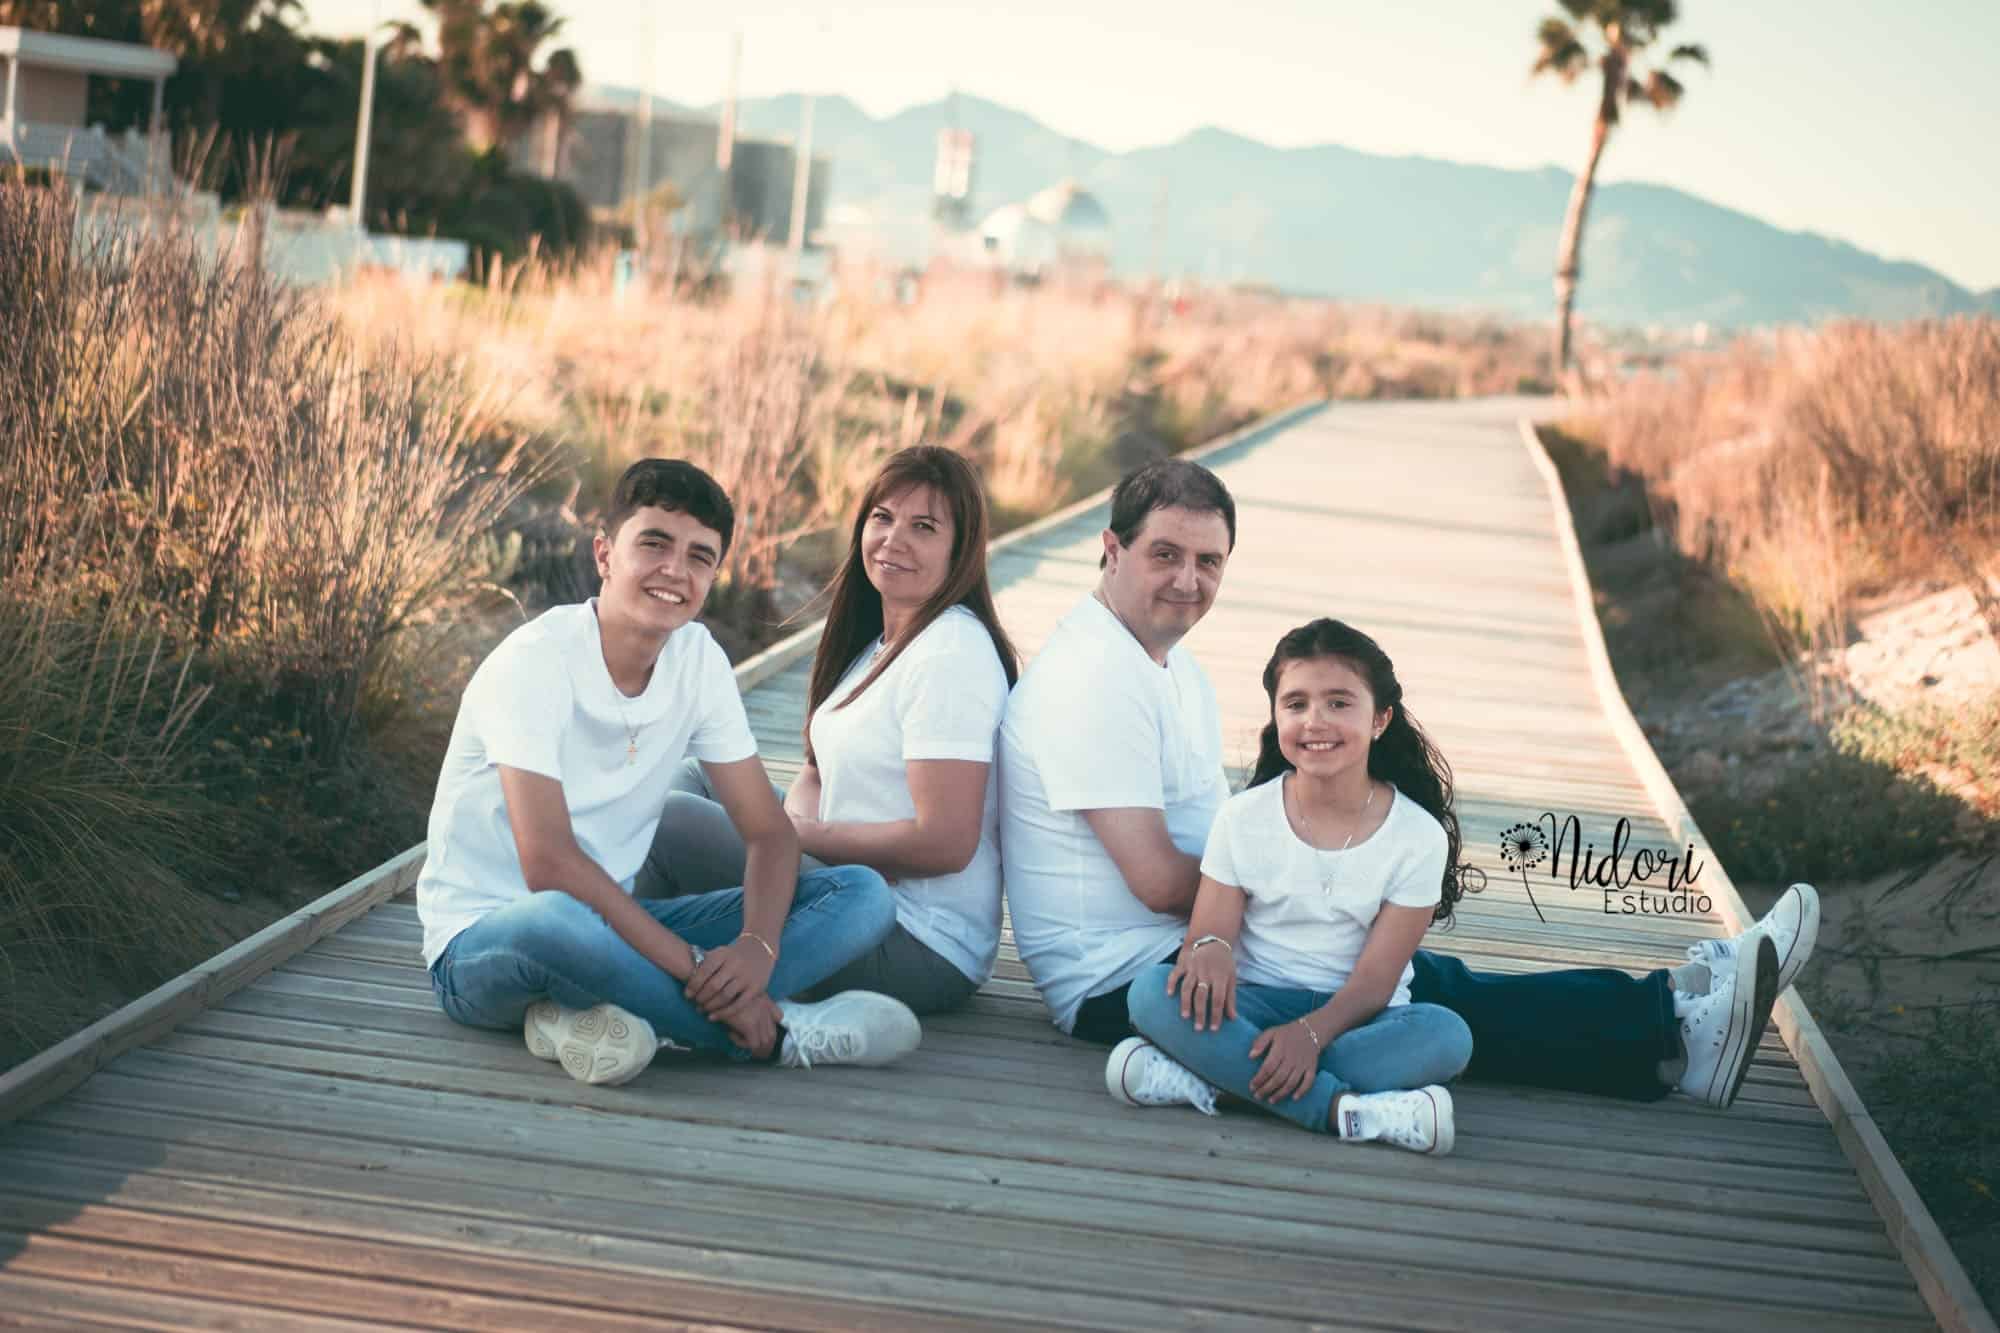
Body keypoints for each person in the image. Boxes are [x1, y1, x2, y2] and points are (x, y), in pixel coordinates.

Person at [998, 456, 1817, 1110]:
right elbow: (1154, 879)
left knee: (1409, 979)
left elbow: (1228, 838)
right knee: (1418, 988)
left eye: (1208, 561)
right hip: (1129, 977)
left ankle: (1669, 1016)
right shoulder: (1092, 680)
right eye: (1164, 555)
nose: (1187, 580)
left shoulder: (1168, 667)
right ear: (1110, 549)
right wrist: (1300, 890)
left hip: (1194, 938)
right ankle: (1671, 1034)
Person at [416, 458, 922, 1087]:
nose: (675, 571)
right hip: (485, 943)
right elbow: (547, 862)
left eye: (700, 557)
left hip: (618, 926)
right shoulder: (535, 662)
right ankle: (779, 1035)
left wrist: (755, 952)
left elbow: (769, 833)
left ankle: (584, 1014)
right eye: (653, 544)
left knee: (862, 895)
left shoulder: (698, 660)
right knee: (557, 920)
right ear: (605, 555)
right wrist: (691, 967)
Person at [642, 447, 1019, 1015]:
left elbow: (946, 842)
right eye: (882, 518)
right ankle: (641, 940)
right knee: (697, 776)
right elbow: (817, 773)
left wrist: (793, 838)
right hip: (842, 879)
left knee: (671, 819)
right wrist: (790, 827)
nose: (894, 540)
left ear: (960, 550)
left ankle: (615, 952)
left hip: (912, 939)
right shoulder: (882, 642)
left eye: (924, 527)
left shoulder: (952, 653)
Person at [1115, 619, 1475, 1152]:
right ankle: (1345, 1112)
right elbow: (1209, 933)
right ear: (1276, 715)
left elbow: (1375, 984)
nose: (1315, 721)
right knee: (1150, 994)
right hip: (1253, 1005)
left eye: (1338, 703)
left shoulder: (1417, 835)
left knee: (1447, 1036)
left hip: (1359, 1017)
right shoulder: (1242, 818)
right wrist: (1209, 950)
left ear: (1380, 719)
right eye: (1296, 704)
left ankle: (1214, 1082)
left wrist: (1310, 1036)